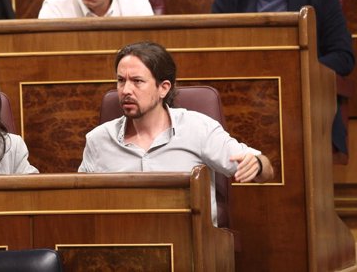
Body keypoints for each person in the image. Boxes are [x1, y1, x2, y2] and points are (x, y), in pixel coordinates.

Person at [78, 41, 273, 223]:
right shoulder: (98, 140)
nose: (126, 90)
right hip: (122, 247)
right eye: (121, 81)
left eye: (137, 81)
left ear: (163, 88)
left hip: (190, 246)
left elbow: (265, 171)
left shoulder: (198, 129)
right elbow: (80, 204)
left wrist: (257, 164)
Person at [211, 0, 355, 154]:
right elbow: (216, 58)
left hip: (300, 101)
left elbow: (343, 57)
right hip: (243, 101)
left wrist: (294, 72)